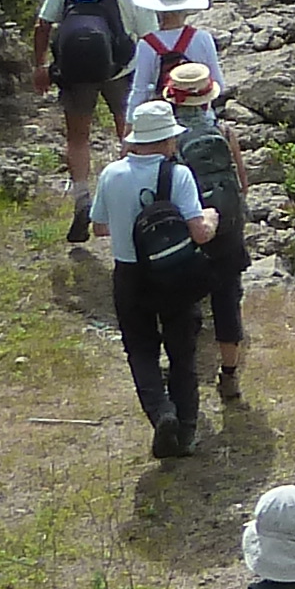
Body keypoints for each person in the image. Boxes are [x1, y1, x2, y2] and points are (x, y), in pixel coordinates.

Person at [93, 98, 216, 458]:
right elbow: (199, 232)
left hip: (129, 273)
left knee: (141, 351)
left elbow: (99, 227)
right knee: (182, 353)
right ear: (166, 141)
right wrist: (212, 217)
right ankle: (187, 433)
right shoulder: (178, 175)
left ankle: (161, 412)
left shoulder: (111, 174)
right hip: (174, 272)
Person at [31, 0, 153, 245]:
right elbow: (151, 38)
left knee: (77, 137)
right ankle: (126, 202)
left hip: (73, 69)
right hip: (120, 70)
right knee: (128, 133)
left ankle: (83, 198)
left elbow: (43, 24)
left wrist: (40, 65)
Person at [163, 59, 252, 410]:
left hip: (192, 226)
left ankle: (182, 369)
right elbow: (242, 184)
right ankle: (229, 375)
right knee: (227, 302)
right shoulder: (226, 133)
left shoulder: (170, 140)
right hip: (228, 228)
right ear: (207, 100)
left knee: (184, 301)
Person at [128, 0, 225, 115]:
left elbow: (140, 90)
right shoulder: (203, 38)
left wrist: (130, 122)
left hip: (162, 117)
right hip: (201, 115)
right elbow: (218, 85)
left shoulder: (146, 44)